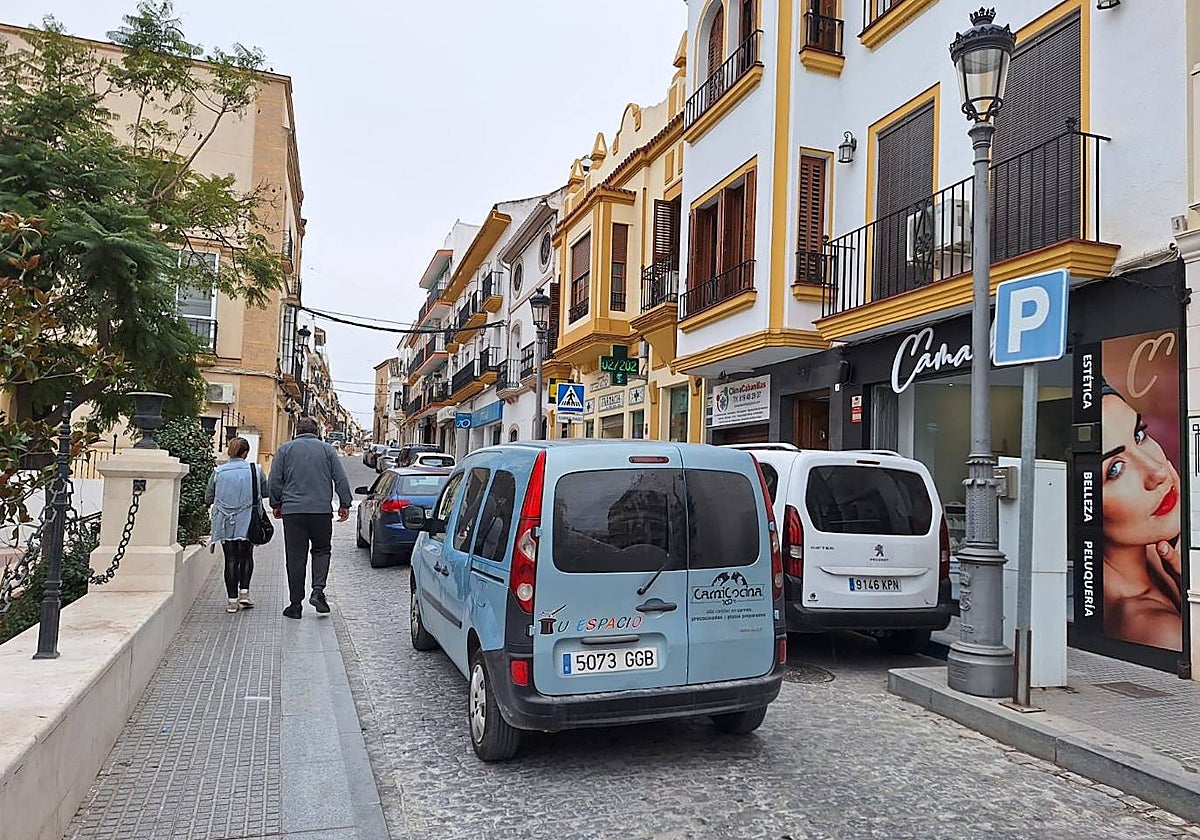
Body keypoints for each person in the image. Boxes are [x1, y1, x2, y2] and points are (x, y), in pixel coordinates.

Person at [1099, 382, 1182, 650]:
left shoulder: (1161, 555)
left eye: (1139, 435)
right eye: (1115, 470)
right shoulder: (1160, 632)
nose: (1156, 471)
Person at [268, 417, 352, 618]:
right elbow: (340, 478)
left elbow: (274, 480)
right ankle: (318, 590)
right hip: (321, 511)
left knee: (295, 556)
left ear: (297, 431)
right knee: (321, 550)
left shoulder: (284, 450)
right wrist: (345, 503)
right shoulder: (327, 450)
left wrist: (276, 504)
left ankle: (295, 605)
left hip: (293, 512)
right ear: (317, 432)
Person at [205, 437, 267, 614]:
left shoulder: (218, 472)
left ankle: (232, 601)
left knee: (230, 559)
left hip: (225, 522)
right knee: (246, 556)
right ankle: (244, 594)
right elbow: (266, 492)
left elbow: (208, 497)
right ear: (246, 453)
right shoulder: (256, 470)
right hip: (248, 520)